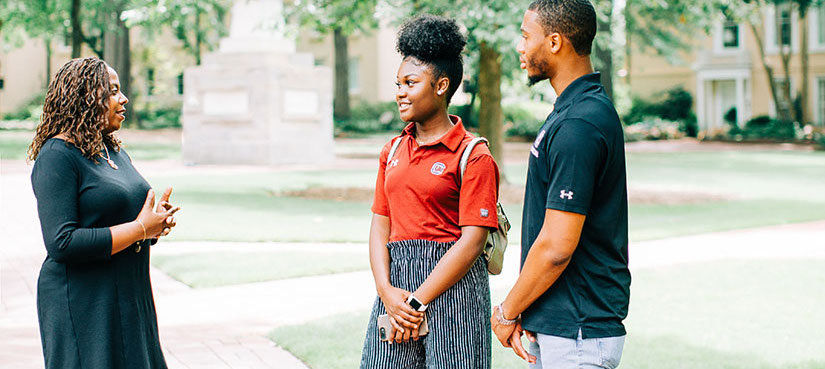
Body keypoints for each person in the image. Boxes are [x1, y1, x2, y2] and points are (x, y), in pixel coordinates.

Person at [490, 1, 631, 368]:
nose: (520, 47)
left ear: (554, 42)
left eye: (526, 36)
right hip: (563, 327)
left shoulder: (580, 123)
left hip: (579, 334)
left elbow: (557, 245)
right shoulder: (572, 111)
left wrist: (507, 310)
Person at [359, 14, 501, 369]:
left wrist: (418, 302)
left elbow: (472, 241)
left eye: (410, 82)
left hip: (454, 296)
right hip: (396, 290)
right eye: (398, 83)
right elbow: (380, 226)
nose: (400, 92)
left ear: (441, 86)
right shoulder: (392, 150)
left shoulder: (474, 155)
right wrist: (386, 293)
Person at [28, 57, 179, 369]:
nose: (122, 99)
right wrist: (141, 228)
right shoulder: (57, 157)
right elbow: (62, 243)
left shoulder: (112, 150)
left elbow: (123, 218)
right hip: (84, 302)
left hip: (129, 293)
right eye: (111, 92)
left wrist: (154, 224)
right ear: (84, 98)